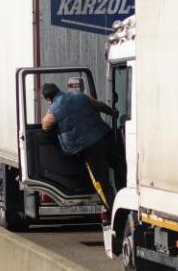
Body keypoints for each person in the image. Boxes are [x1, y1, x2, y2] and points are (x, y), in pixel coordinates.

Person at [40, 82, 123, 211]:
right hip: (105, 136)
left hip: (89, 148)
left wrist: (50, 110)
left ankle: (113, 211)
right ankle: (126, 195)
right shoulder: (79, 95)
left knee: (101, 183)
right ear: (58, 89)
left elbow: (45, 126)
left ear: (48, 99)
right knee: (120, 165)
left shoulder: (54, 109)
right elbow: (99, 105)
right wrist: (112, 112)